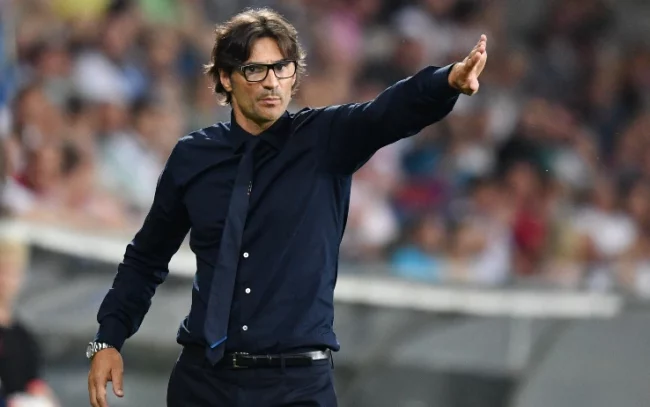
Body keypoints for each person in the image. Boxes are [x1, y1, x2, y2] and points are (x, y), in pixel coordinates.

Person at [86, 7, 488, 407]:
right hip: (202, 383)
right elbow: (146, 258)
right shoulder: (193, 157)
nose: (272, 82)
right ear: (225, 77)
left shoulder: (325, 139)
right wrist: (109, 338)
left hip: (296, 387)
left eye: (282, 68)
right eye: (255, 70)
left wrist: (447, 81)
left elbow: (386, 113)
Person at [0, 235, 59, 407]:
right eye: (3, 271)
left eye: (13, 273)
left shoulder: (23, 337)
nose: (7, 280)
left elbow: (34, 382)